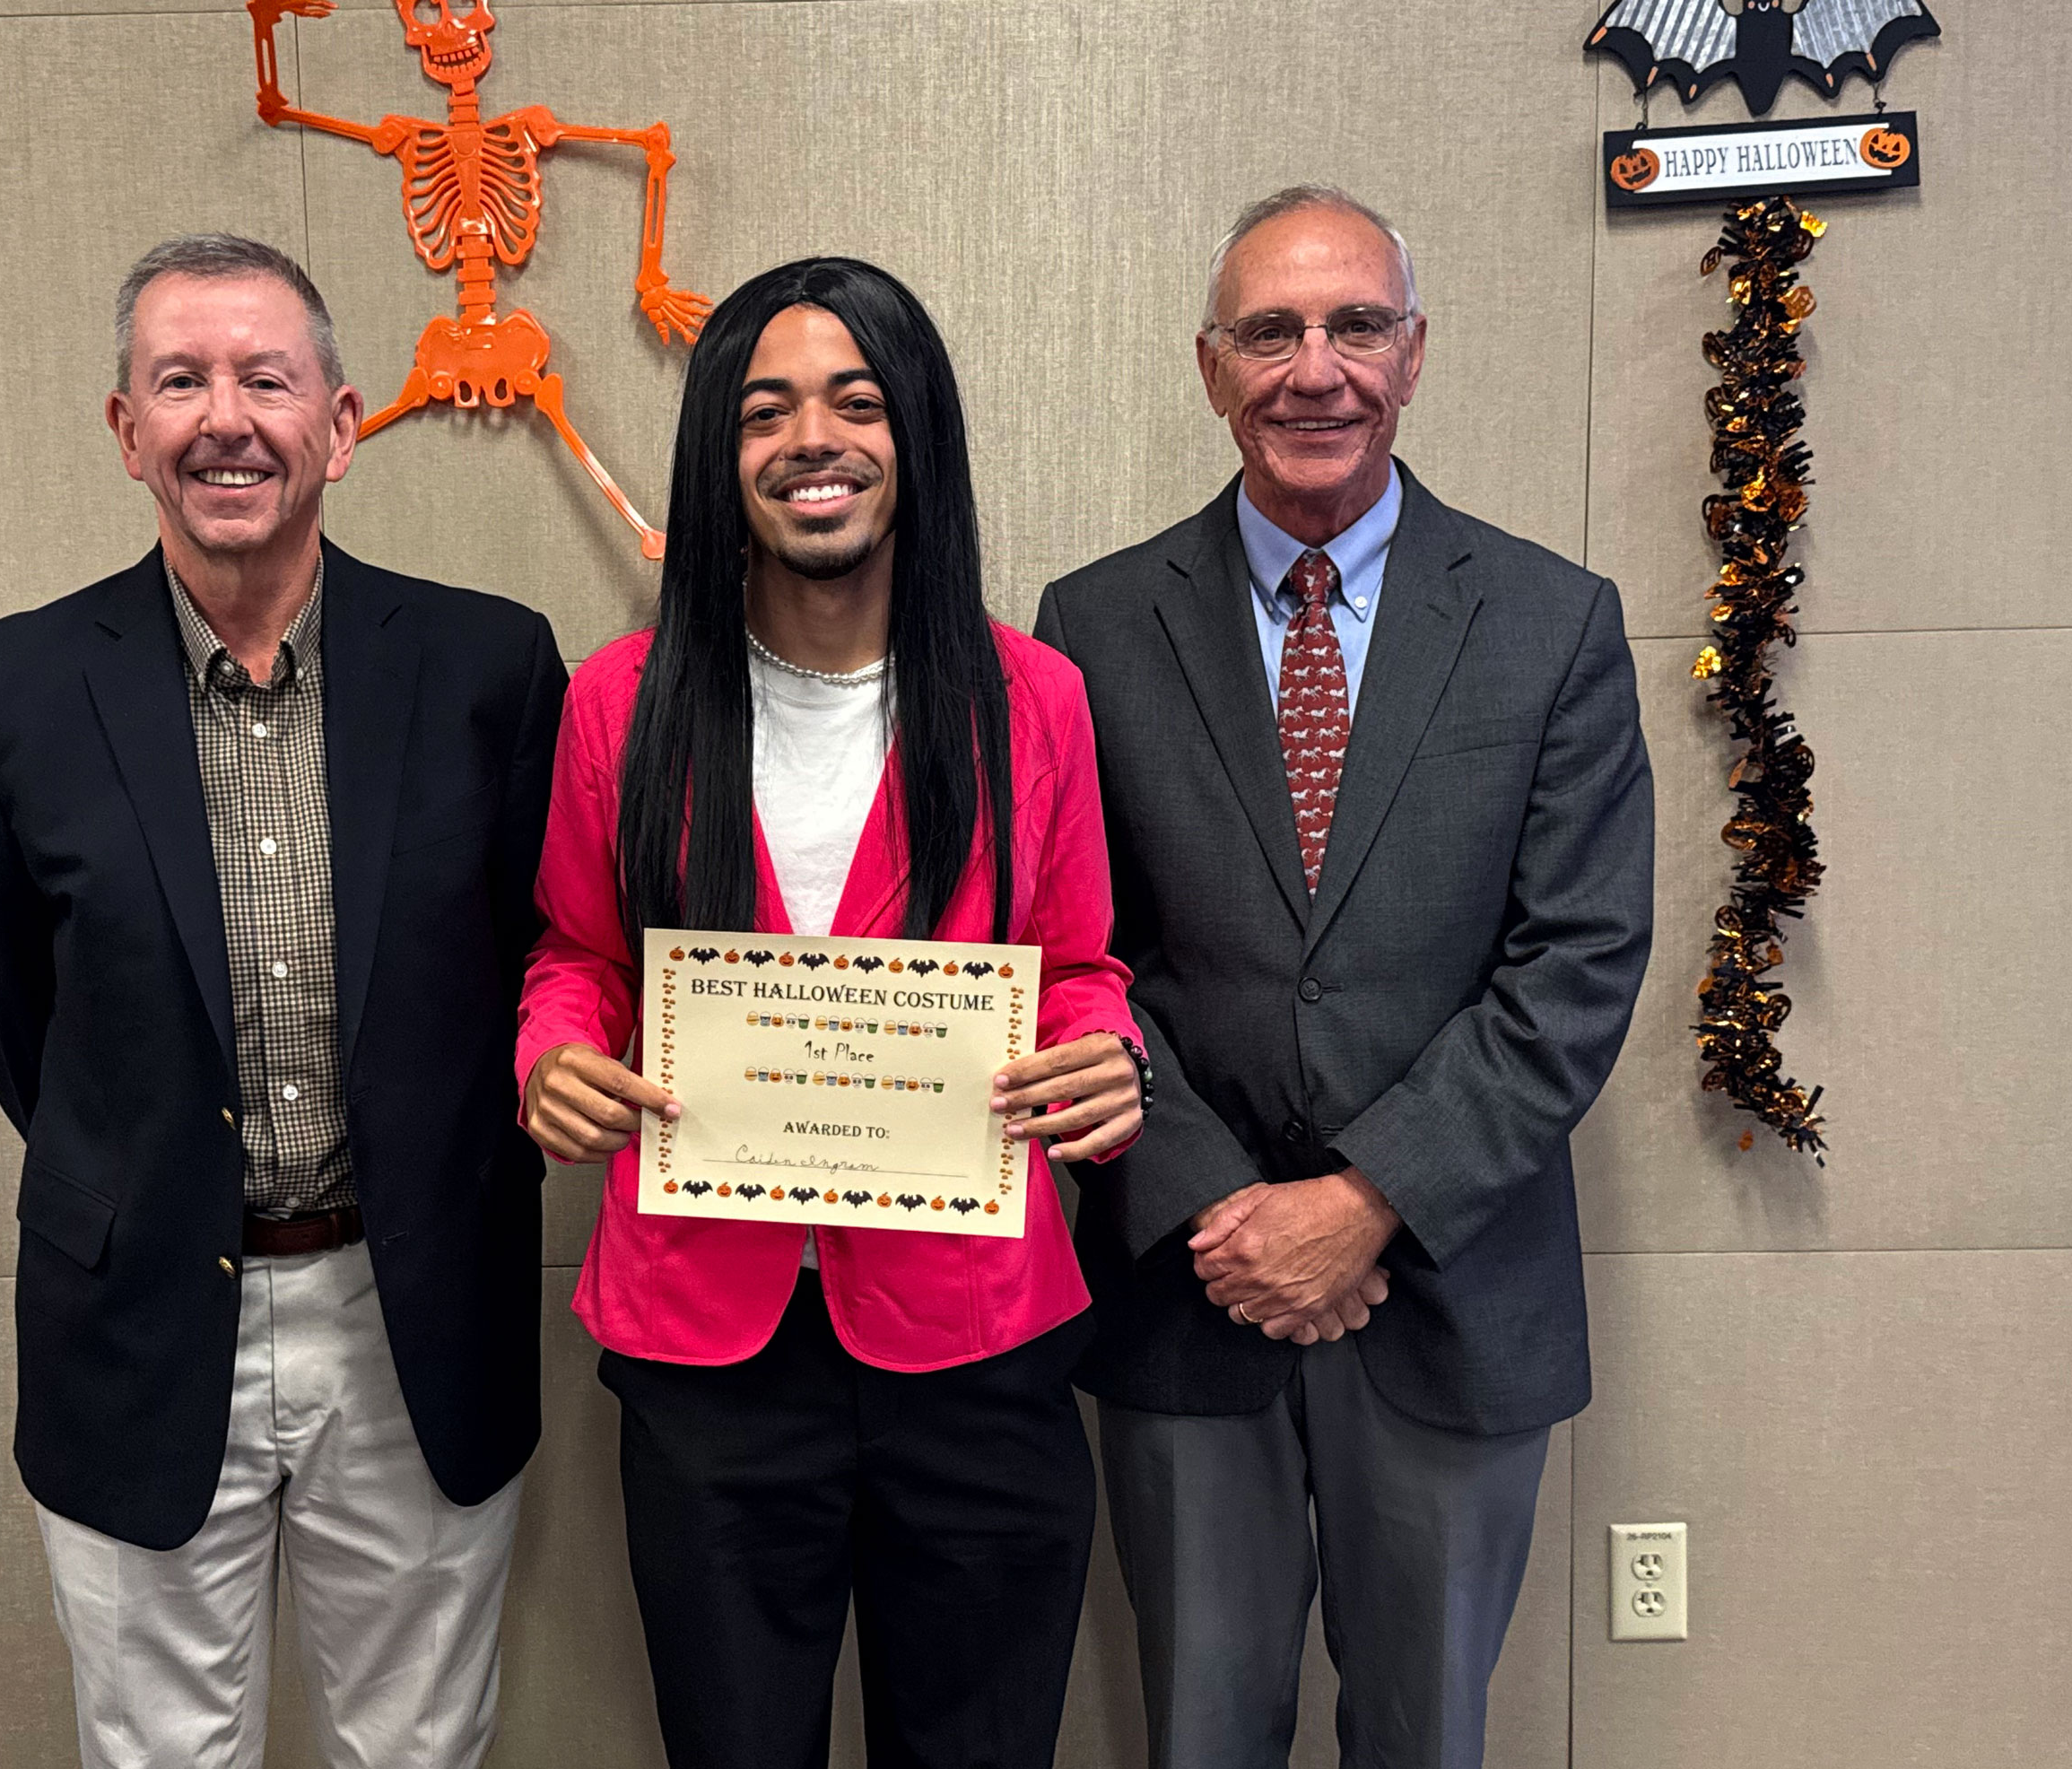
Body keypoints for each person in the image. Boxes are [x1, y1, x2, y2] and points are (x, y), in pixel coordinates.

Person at [0, 233, 563, 1769]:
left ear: (339, 424)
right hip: (138, 1310)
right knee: (158, 1749)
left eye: (266, 380)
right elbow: (20, 1021)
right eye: (180, 381)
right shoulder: (0, 695)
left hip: (414, 1307)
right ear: (124, 427)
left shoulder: (489, 667)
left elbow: (540, 964)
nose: (226, 419)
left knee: (418, 1744)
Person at [1035, 187, 1655, 1769]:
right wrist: (1223, 1210)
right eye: (1271, 331)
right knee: (1199, 1736)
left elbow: (1578, 961)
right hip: (1191, 1290)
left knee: (1426, 1738)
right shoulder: (1091, 628)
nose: (1316, 369)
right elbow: (1069, 957)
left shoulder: (1551, 622)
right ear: (1211, 368)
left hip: (1456, 1296)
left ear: (1415, 353)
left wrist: (1366, 1201)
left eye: (1356, 326)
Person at [516, 257, 1146, 1769]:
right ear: (718, 456)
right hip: (709, 1349)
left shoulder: (1032, 699)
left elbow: (1078, 966)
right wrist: (556, 1053)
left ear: (916, 434)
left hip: (974, 1336)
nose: (815, 440)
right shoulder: (623, 700)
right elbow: (577, 953)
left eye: (857, 403)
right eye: (765, 411)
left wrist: (1106, 1059)